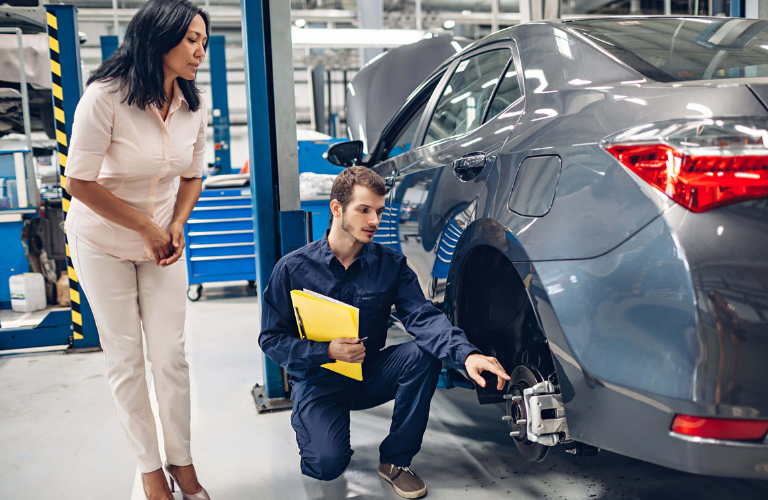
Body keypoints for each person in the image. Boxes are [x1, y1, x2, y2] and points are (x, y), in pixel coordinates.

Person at [260, 166, 510, 499]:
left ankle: (395, 461)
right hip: (319, 379)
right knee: (327, 465)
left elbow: (423, 317)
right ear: (337, 209)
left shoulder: (390, 264)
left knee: (423, 353)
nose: (374, 220)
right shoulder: (292, 268)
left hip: (369, 372)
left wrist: (468, 354)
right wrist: (327, 351)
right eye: (364, 210)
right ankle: (318, 424)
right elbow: (271, 338)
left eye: (379, 211)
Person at [64, 1, 210, 499]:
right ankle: (151, 471)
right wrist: (147, 227)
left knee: (170, 356)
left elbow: (193, 173)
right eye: (192, 39)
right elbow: (78, 182)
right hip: (102, 240)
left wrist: (175, 224)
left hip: (162, 243)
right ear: (158, 37)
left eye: (204, 42)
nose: (200, 51)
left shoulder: (193, 103)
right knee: (125, 358)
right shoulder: (105, 97)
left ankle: (182, 462)